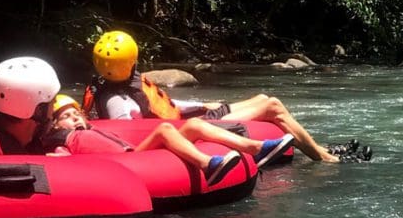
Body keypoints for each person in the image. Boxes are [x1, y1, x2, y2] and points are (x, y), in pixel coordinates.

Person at [83, 30, 354, 163]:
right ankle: (323, 156)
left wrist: (202, 104)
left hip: (187, 118)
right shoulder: (118, 101)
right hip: (187, 130)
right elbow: (132, 133)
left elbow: (165, 105)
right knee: (272, 106)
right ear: (131, 59)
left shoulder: (116, 86)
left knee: (263, 97)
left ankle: (320, 149)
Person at [43, 95, 295, 185]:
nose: (75, 118)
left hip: (135, 153)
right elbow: (60, 159)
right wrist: (63, 159)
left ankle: (256, 149)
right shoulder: (64, 141)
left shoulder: (93, 128)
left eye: (77, 113)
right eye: (67, 116)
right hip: (127, 164)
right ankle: (208, 165)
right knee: (164, 129)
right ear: (55, 124)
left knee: (195, 124)